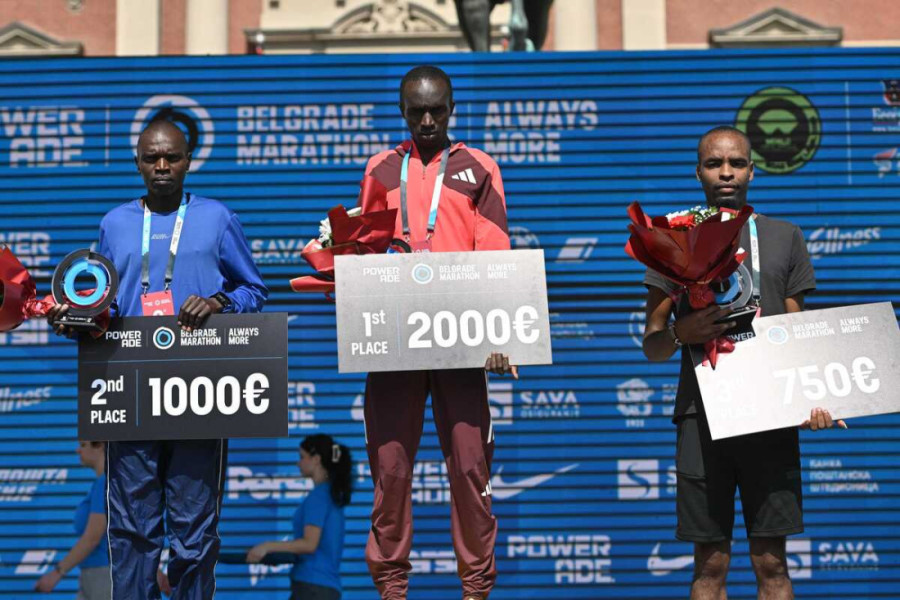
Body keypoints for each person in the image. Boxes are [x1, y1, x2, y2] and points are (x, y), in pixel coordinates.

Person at [47, 118, 268, 600]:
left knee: (194, 534)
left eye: (172, 157)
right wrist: (73, 321)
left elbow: (253, 289)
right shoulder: (115, 223)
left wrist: (218, 302)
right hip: (130, 388)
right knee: (131, 531)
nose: (162, 166)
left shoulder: (216, 217)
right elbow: (102, 305)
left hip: (198, 389)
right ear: (138, 164)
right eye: (152, 158)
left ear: (189, 160)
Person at [641, 125, 845, 600]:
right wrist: (679, 333)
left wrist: (816, 396)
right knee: (709, 564)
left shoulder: (784, 236)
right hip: (702, 415)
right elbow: (652, 343)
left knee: (771, 560)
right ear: (698, 173)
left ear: (753, 170)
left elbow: (799, 333)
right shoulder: (673, 237)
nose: (726, 173)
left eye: (735, 163)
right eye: (714, 164)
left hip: (770, 414)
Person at [355, 65, 516, 600]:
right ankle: (392, 590)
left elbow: (495, 255)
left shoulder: (478, 166)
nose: (427, 120)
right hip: (397, 340)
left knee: (470, 469)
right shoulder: (379, 169)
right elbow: (367, 253)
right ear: (401, 110)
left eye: (437, 109)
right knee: (391, 470)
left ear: (452, 108)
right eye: (417, 110)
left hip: (462, 340)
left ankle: (475, 590)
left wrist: (502, 336)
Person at [246, 434, 353, 600]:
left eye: (302, 457)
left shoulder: (318, 496)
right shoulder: (329, 495)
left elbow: (309, 544)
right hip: (320, 588)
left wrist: (266, 546)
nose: (298, 462)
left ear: (316, 459)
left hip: (313, 588)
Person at [34, 441, 110, 599]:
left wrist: (57, 572)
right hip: (95, 576)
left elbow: (92, 537)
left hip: (103, 577)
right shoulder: (104, 483)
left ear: (100, 446)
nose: (77, 450)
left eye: (83, 445)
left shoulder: (105, 483)